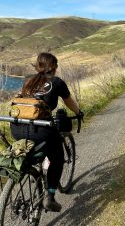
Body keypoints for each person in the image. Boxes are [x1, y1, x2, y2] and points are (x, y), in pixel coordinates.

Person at [10, 52, 83, 212]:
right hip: (41, 130)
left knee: (36, 151)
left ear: (38, 66)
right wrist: (78, 113)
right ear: (54, 67)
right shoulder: (56, 82)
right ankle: (49, 196)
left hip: (17, 128)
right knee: (57, 158)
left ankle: (34, 172)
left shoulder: (28, 79)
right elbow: (69, 101)